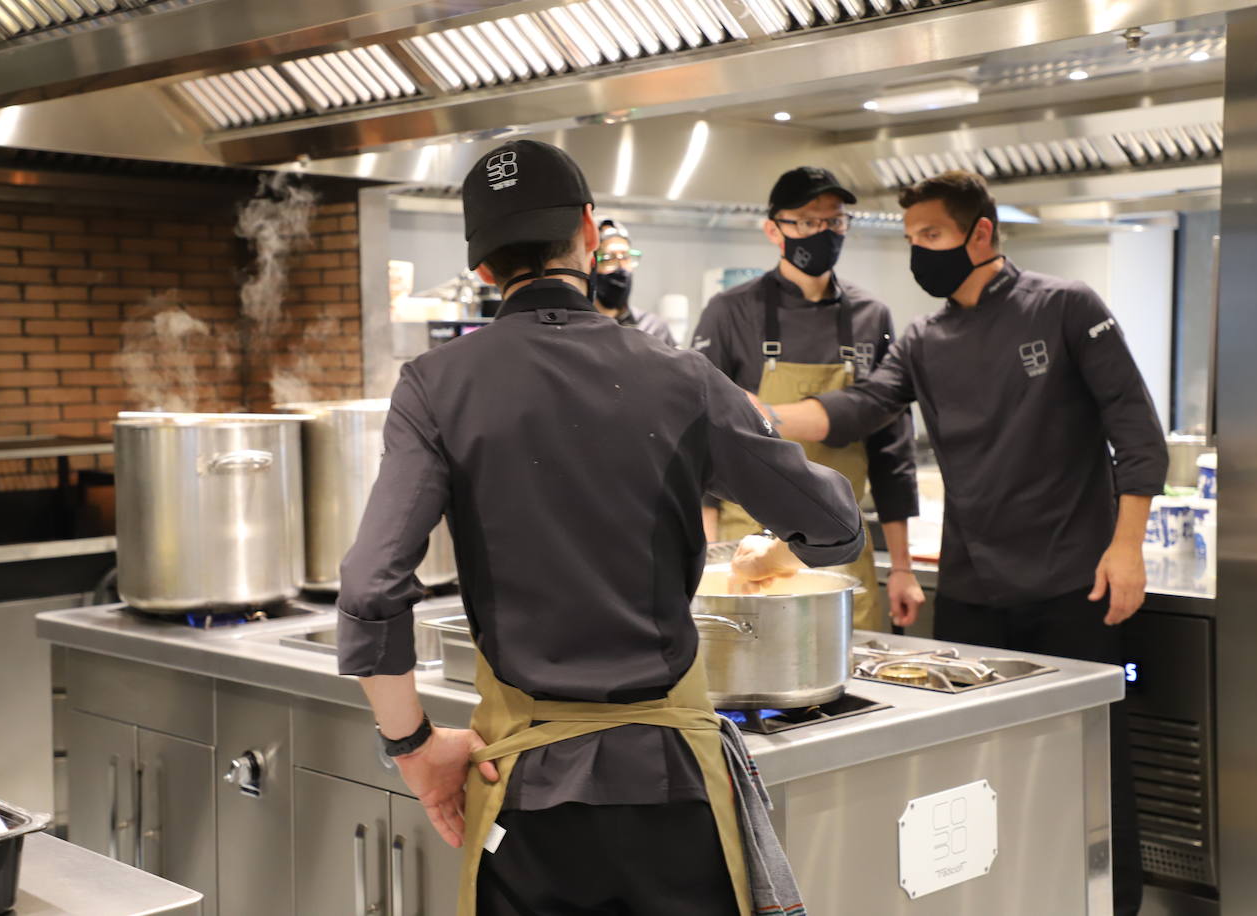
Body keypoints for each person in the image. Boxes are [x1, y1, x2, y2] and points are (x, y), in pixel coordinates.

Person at [335, 139, 865, 915]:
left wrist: (413, 749)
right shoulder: (682, 376)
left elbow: (370, 586)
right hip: (673, 786)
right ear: (589, 231)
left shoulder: (433, 386)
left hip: (525, 796)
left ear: (483, 267)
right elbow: (834, 530)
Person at [749, 169, 1165, 916]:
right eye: (911, 240)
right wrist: (758, 415)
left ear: (982, 232)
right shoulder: (924, 338)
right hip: (975, 592)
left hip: (1078, 581)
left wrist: (1126, 545)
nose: (921, 254)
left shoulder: (1065, 307)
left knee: (1094, 767)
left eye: (933, 237)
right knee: (983, 775)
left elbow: (1137, 435)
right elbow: (860, 409)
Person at [691, 166, 925, 633]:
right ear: (773, 230)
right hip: (746, 552)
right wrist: (704, 564)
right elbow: (700, 444)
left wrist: (901, 566)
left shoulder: (871, 315)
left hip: (842, 549)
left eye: (833, 221)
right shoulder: (730, 311)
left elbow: (891, 449)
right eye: (806, 221)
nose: (822, 232)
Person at [592, 217, 677, 345]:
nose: (621, 267)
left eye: (625, 257)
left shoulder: (653, 329)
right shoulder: (581, 327)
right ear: (591, 265)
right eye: (609, 258)